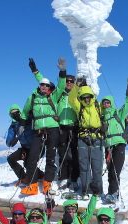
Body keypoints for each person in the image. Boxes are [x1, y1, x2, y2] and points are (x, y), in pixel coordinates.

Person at [19, 57, 67, 196]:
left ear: (50, 87)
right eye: (42, 85)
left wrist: (62, 71)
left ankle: (47, 184)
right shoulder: (33, 97)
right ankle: (33, 185)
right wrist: (22, 124)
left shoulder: (54, 96)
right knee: (32, 157)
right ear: (39, 86)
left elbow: (62, 85)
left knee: (51, 157)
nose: (44, 87)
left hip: (52, 129)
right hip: (38, 130)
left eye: (46, 86)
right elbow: (25, 111)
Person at [31, 61, 80, 191]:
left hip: (74, 127)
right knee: (62, 153)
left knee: (74, 154)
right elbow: (44, 83)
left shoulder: (78, 95)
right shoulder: (58, 95)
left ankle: (74, 178)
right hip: (60, 127)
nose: (69, 83)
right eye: (67, 81)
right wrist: (36, 71)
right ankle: (64, 178)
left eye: (71, 81)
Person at [68, 79, 105, 198]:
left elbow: (109, 110)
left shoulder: (97, 106)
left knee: (97, 167)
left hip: (97, 139)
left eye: (88, 96)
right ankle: (85, 190)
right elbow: (72, 99)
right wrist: (76, 87)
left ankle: (97, 191)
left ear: (92, 96)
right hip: (83, 139)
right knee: (84, 167)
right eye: (84, 97)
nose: (86, 99)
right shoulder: (80, 107)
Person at [101, 78, 128, 203]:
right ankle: (111, 193)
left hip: (119, 144)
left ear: (111, 103)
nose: (106, 104)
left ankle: (114, 194)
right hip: (108, 146)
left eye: (108, 102)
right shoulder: (102, 117)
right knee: (110, 170)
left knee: (116, 170)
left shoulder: (119, 113)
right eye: (104, 103)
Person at [7, 103, 44, 186]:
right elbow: (8, 142)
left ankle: (40, 176)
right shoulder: (14, 126)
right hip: (25, 149)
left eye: (17, 112)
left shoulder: (29, 119)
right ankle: (24, 177)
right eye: (13, 114)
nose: (15, 115)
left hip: (37, 147)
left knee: (28, 163)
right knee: (11, 159)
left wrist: (28, 120)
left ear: (20, 111)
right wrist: (13, 140)